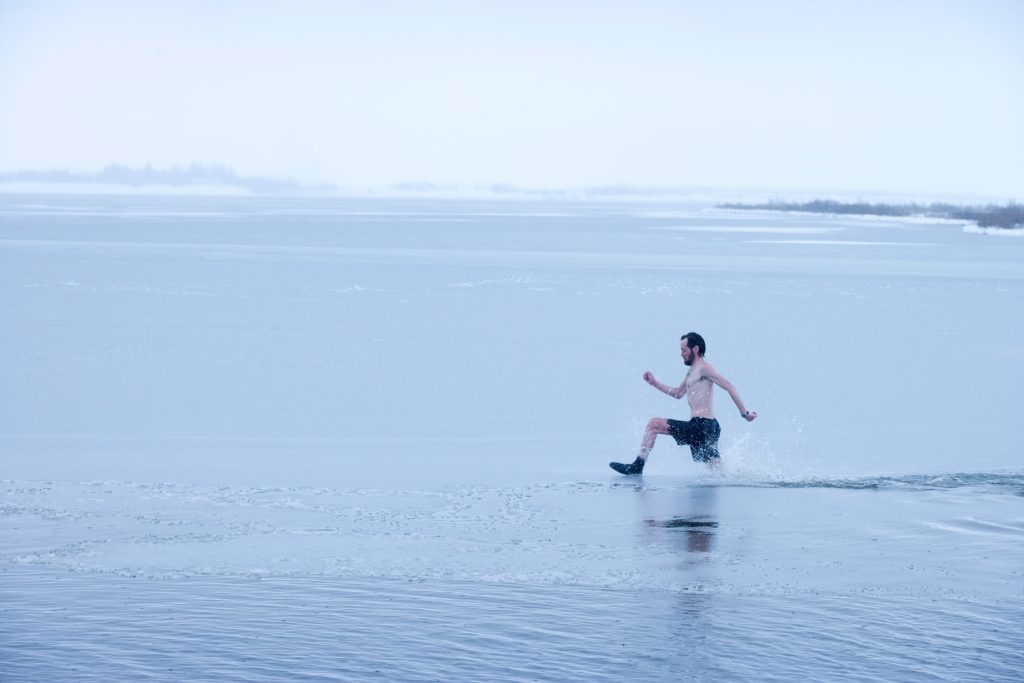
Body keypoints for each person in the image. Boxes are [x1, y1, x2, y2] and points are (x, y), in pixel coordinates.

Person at [610, 332, 756, 475]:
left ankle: (637, 466)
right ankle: (746, 478)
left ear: (696, 349)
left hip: (702, 425)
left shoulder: (705, 368)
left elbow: (729, 386)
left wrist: (745, 414)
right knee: (720, 473)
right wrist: (654, 383)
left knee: (653, 424)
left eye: (684, 350)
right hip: (707, 427)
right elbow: (678, 393)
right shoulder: (691, 372)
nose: (681, 354)